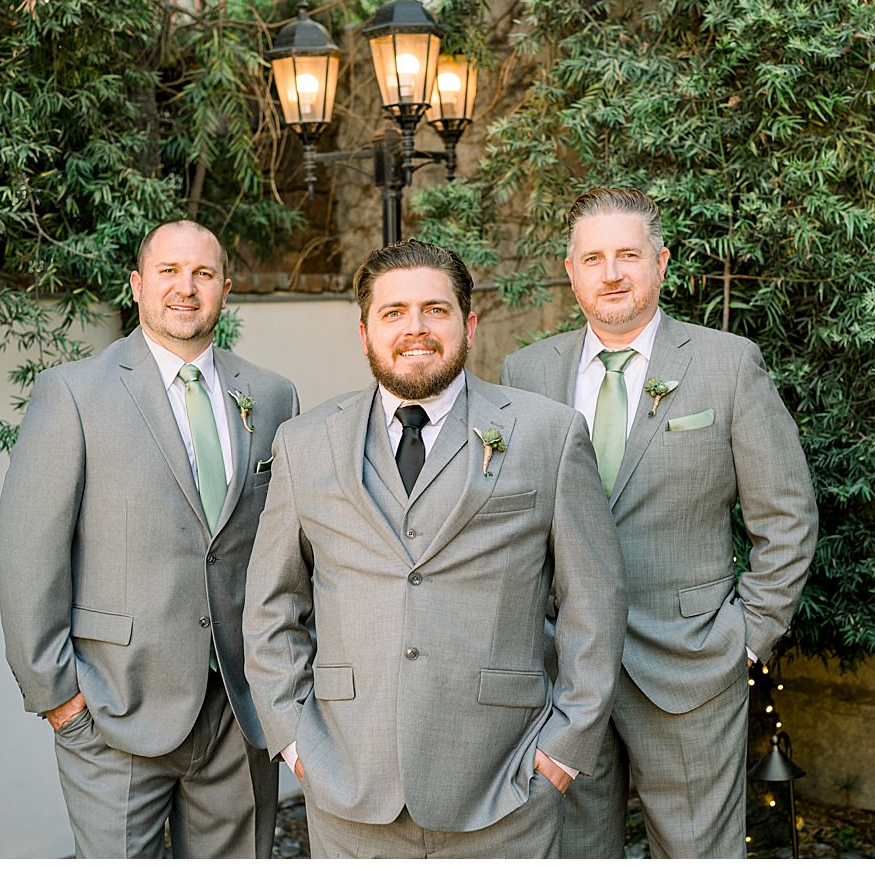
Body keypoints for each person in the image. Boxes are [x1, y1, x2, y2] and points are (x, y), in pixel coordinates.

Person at [242, 240, 626, 858]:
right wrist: (294, 740)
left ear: (468, 325)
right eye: (394, 313)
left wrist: (562, 751)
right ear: (365, 331)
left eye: (434, 310)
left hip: (506, 783)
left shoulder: (549, 435)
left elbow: (594, 604)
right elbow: (270, 608)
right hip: (346, 782)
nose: (414, 329)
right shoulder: (304, 442)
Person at [500, 187, 819, 859]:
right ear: (571, 270)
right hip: (562, 674)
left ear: (662, 262)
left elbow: (786, 515)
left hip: (692, 667)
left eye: (627, 255)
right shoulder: (524, 373)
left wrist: (748, 637)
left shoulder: (728, 365)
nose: (610, 273)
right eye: (593, 257)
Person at [0, 220, 299, 858]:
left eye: (203, 274)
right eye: (168, 272)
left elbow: (282, 550)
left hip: (241, 712)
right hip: (113, 707)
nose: (185, 288)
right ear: (137, 286)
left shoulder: (271, 396)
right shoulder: (74, 393)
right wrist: (60, 700)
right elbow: (26, 554)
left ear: (226, 288)